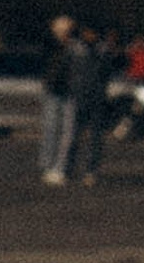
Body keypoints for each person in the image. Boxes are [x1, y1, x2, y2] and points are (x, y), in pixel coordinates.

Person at [64, 22, 113, 185]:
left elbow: (107, 72)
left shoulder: (103, 50)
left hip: (97, 97)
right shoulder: (75, 49)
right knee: (73, 135)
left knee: (95, 137)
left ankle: (91, 170)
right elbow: (68, 70)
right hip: (79, 97)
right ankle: (67, 169)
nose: (89, 36)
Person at [39, 18, 77, 185]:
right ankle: (48, 164)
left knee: (65, 131)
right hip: (54, 91)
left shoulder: (73, 48)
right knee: (51, 128)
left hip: (67, 92)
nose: (64, 35)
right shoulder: (52, 47)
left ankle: (59, 166)